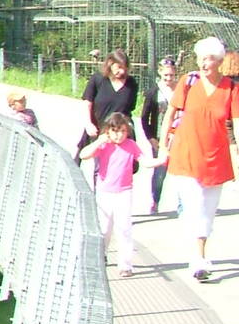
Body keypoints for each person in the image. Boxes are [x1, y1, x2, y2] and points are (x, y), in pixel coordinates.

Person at [163, 36, 239, 282]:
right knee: (194, 206)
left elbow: (236, 123)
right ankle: (198, 258)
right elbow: (171, 113)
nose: (203, 64)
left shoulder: (231, 88)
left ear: (218, 61)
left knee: (207, 210)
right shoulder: (188, 81)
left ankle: (200, 252)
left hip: (215, 157)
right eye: (200, 59)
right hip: (187, 153)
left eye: (208, 59)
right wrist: (163, 144)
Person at [80, 112, 165, 277]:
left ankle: (125, 264)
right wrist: (99, 141)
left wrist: (160, 160)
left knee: (124, 228)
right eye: (115, 131)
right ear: (108, 131)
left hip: (124, 191)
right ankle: (101, 254)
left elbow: (145, 162)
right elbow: (84, 155)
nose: (119, 135)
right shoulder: (104, 145)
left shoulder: (131, 145)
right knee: (104, 228)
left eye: (122, 131)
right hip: (105, 192)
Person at [76, 49, 138, 166]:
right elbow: (87, 102)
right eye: (119, 67)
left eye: (124, 67)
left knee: (116, 164)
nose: (122, 71)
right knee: (93, 163)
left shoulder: (131, 83)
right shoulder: (98, 79)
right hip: (98, 127)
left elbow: (130, 109)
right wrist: (88, 123)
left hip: (118, 131)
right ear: (110, 64)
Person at [140, 55, 178, 213]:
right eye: (166, 75)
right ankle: (155, 200)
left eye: (171, 75)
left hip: (178, 136)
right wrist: (151, 138)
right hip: (159, 137)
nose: (169, 78)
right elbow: (144, 118)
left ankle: (183, 203)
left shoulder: (181, 90)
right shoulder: (153, 92)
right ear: (160, 73)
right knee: (160, 171)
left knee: (181, 171)